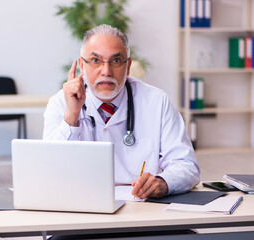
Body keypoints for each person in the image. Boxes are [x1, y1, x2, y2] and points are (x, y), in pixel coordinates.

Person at [43, 24, 200, 199]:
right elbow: (50, 171)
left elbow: (187, 165)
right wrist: (72, 116)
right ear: (81, 65)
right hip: (80, 204)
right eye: (96, 61)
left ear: (128, 65)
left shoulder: (157, 102)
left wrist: (163, 182)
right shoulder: (60, 103)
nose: (106, 71)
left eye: (116, 61)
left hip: (141, 209)